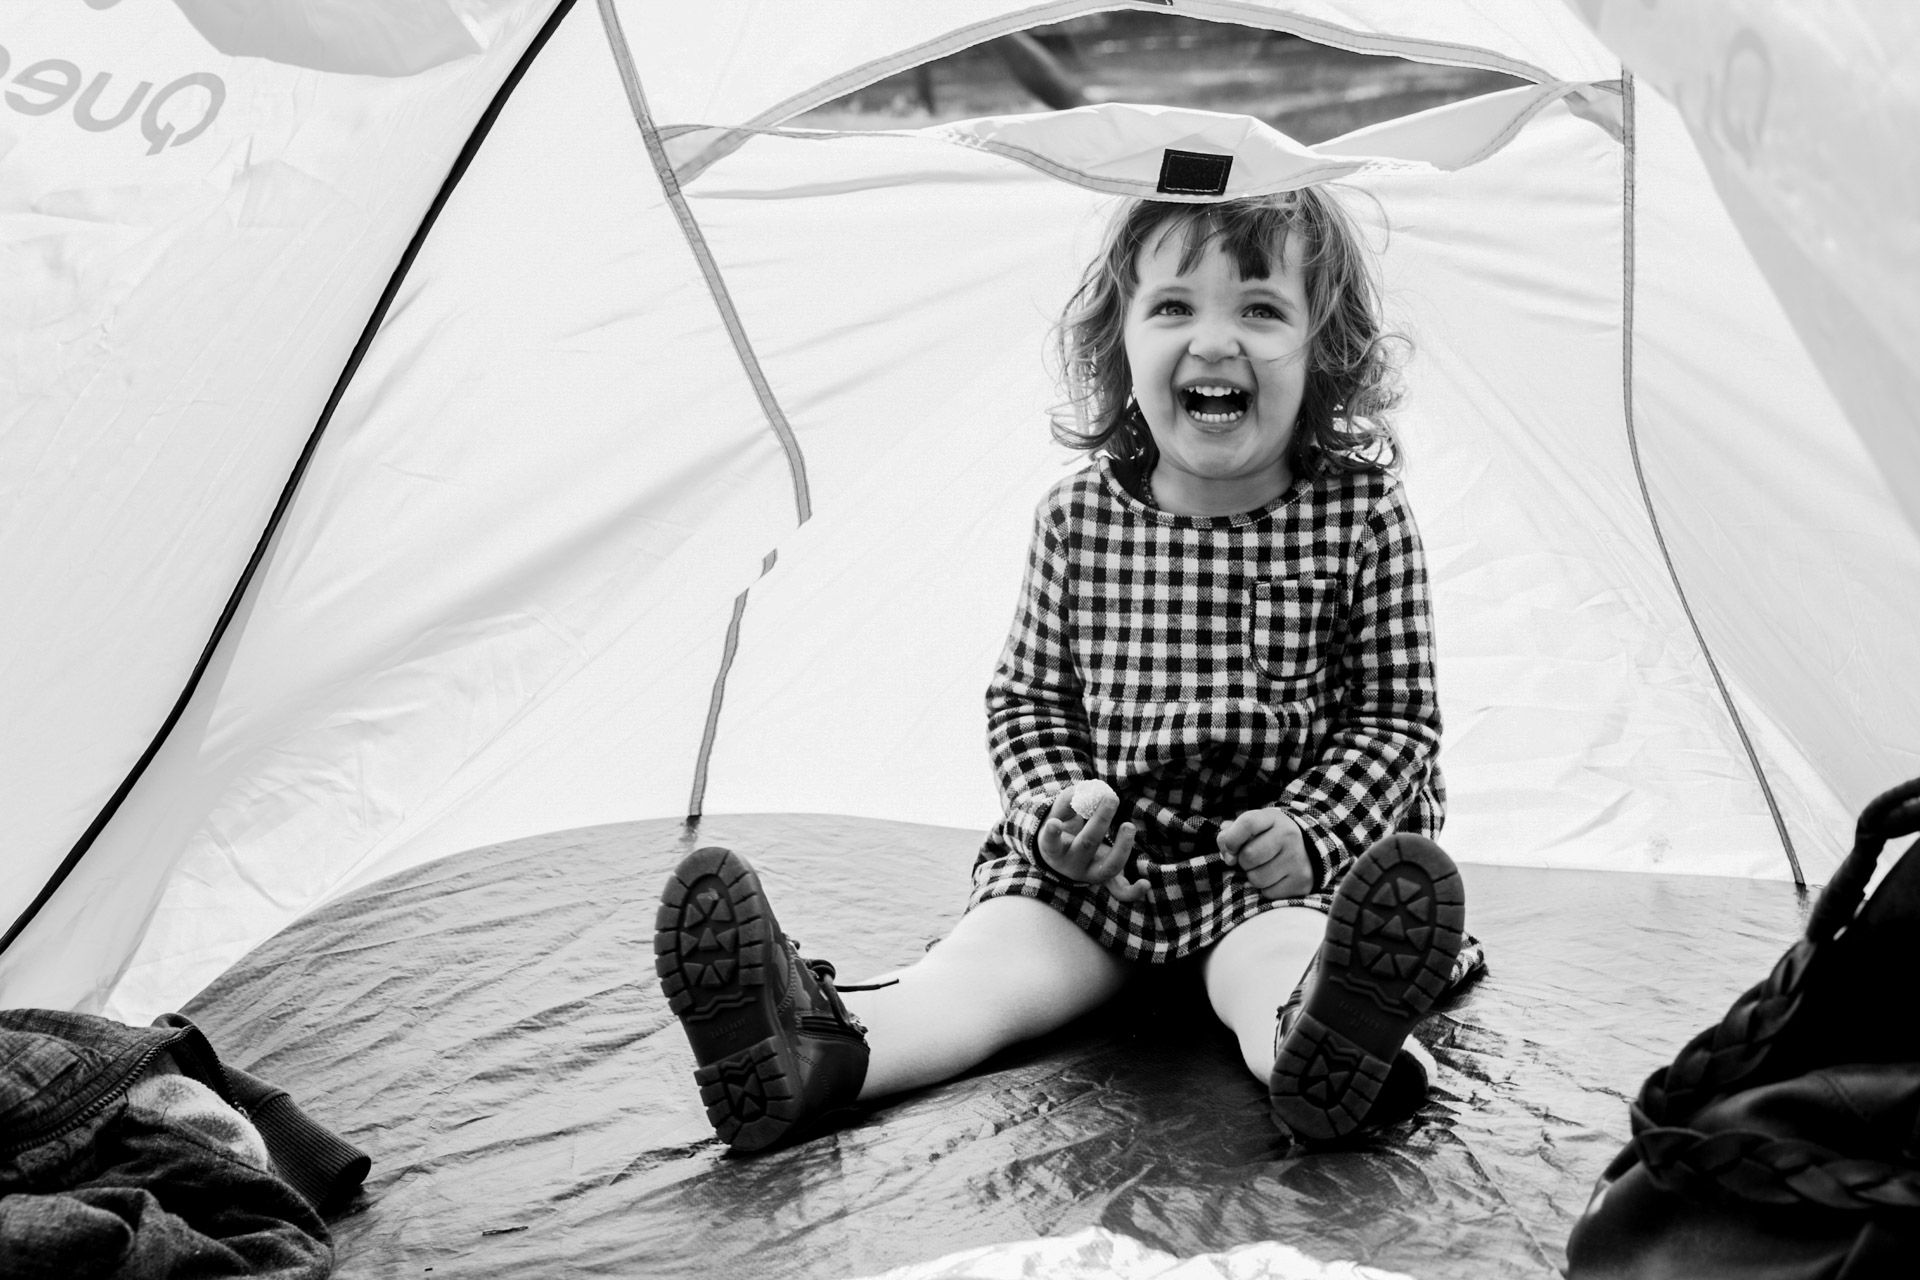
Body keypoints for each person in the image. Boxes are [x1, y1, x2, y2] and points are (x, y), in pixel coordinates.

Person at [655, 186, 1475, 1155]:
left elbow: (1396, 719)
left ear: (1323, 348)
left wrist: (1311, 828)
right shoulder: (1077, 521)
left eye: (1260, 308)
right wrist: (1058, 813)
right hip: (1108, 878)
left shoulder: (1362, 517)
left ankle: (1343, 1047)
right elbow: (1029, 701)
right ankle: (820, 1045)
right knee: (984, 969)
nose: (1215, 340)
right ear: (1119, 343)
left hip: (1271, 875)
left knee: (1278, 964)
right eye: (1174, 306)